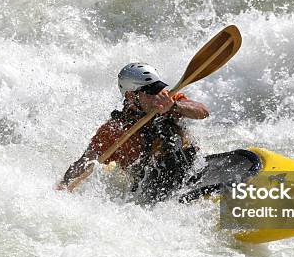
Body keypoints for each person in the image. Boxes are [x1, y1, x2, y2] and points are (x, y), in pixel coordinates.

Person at [57, 63, 210, 203]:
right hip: (151, 185)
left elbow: (203, 112)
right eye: (150, 91)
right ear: (131, 96)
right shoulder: (114, 131)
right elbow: (86, 161)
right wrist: (63, 185)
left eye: (159, 87)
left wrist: (175, 106)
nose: (158, 94)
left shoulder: (168, 99)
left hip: (190, 166)